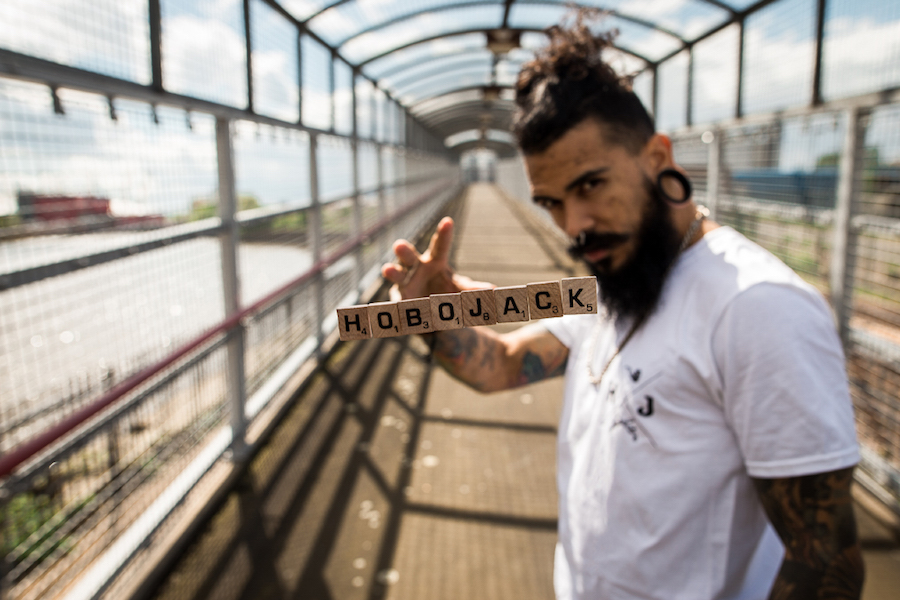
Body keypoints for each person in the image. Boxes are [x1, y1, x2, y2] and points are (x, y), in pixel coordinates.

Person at [381, 16, 863, 600]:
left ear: (658, 157)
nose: (574, 225)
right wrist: (432, 316)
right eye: (551, 203)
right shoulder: (615, 276)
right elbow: (504, 364)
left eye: (590, 185)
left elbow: (825, 564)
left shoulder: (757, 308)